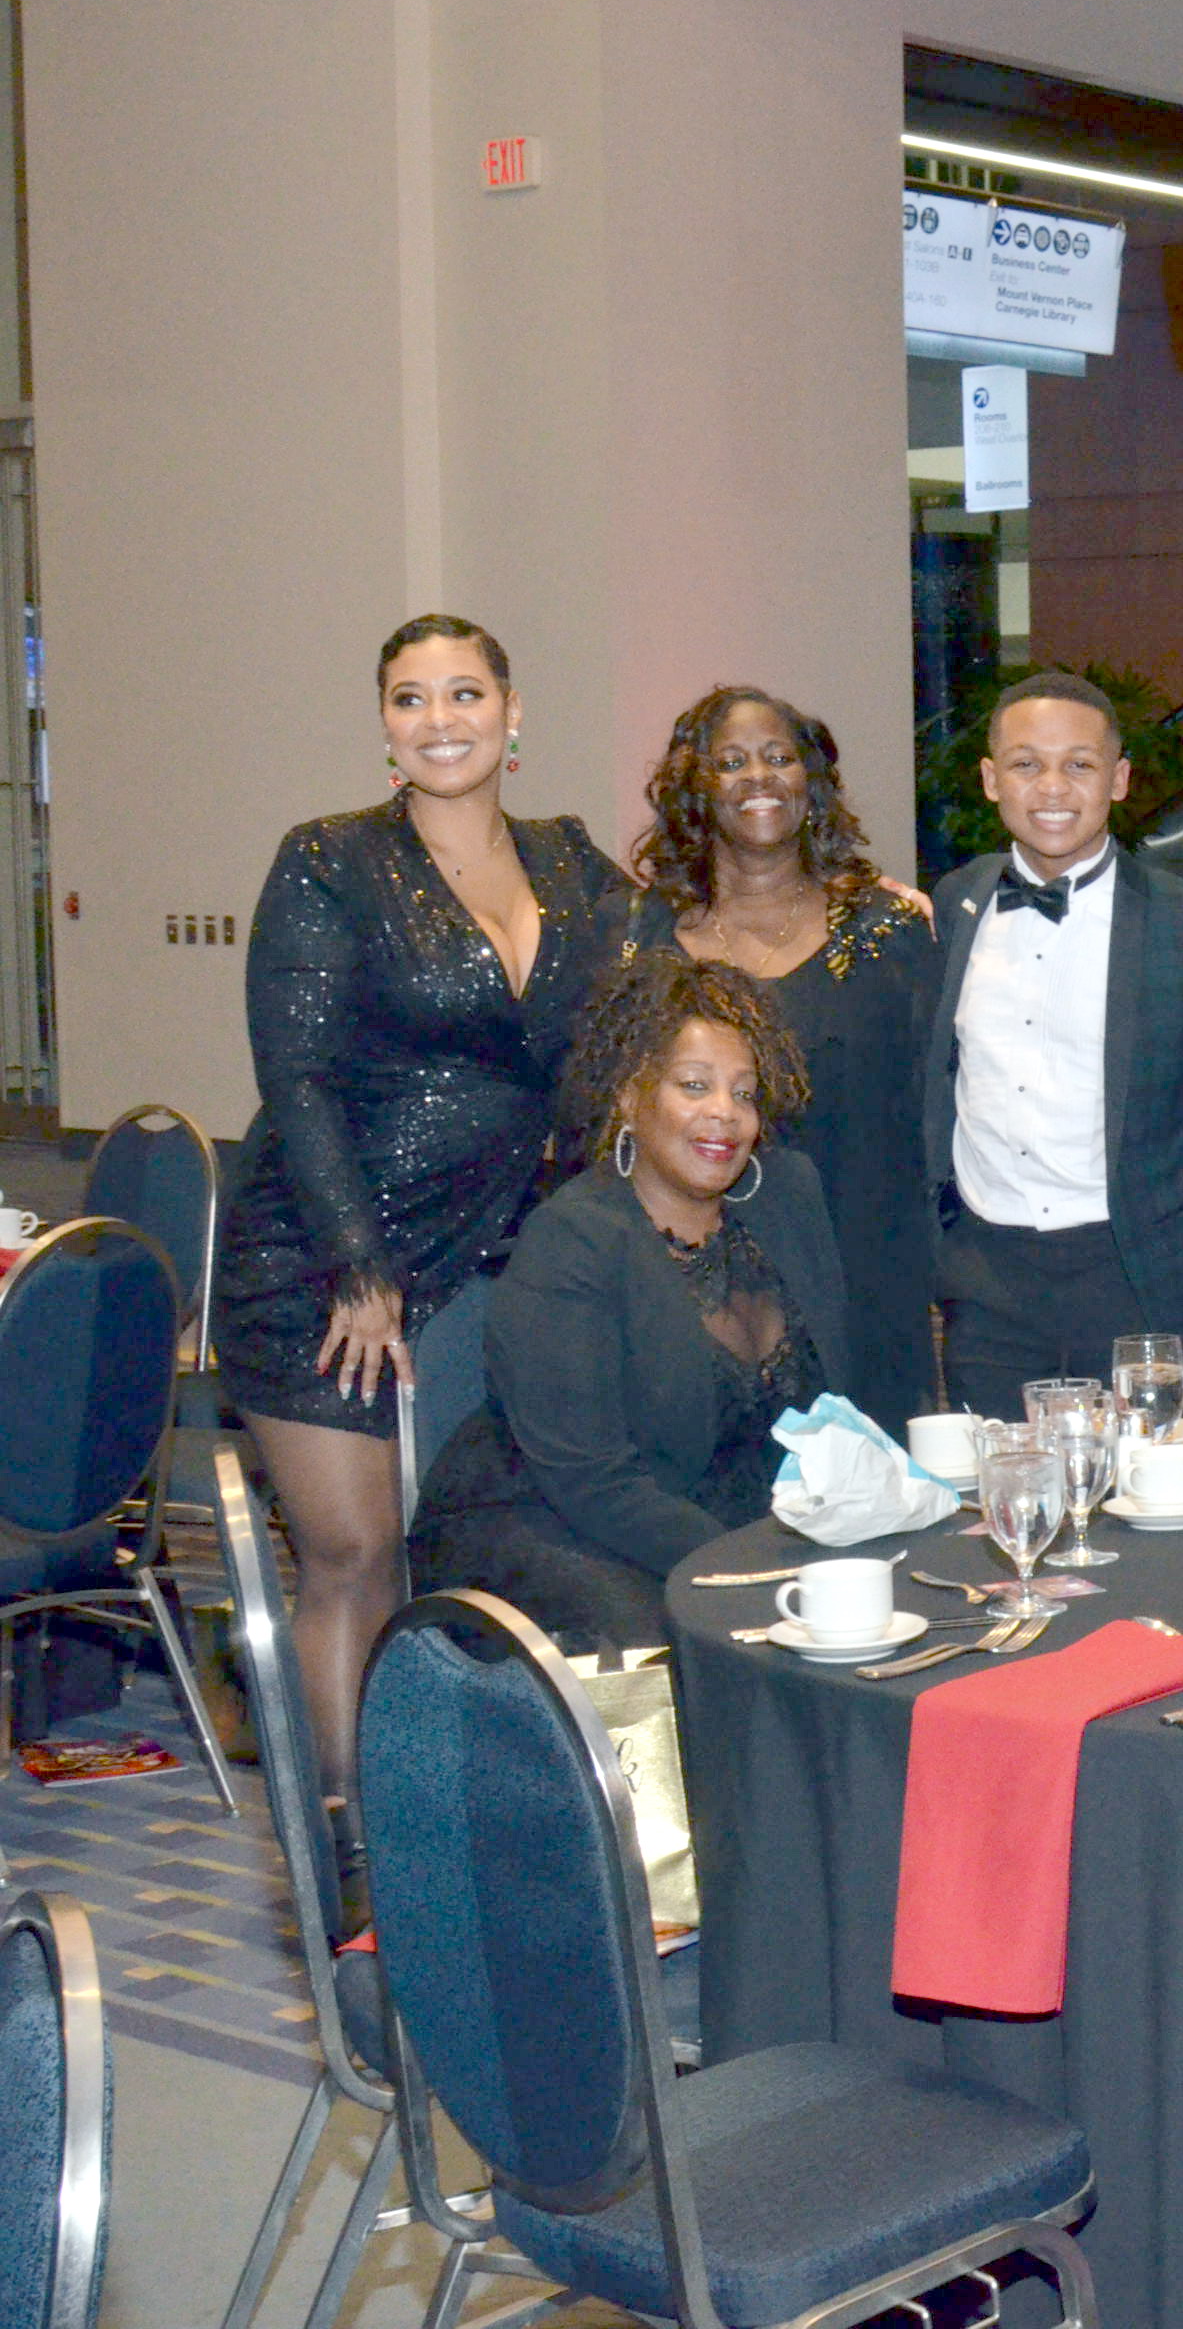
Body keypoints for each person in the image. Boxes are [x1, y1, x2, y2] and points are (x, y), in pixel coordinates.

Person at [213, 613, 631, 1800]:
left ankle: (445, 1811)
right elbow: (294, 1077)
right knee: (354, 1554)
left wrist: (848, 903)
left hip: (497, 1248)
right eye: (410, 698)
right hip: (326, 1255)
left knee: (463, 1551)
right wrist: (359, 1266)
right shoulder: (331, 859)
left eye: (464, 694)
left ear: (512, 712)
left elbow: (678, 950)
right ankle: (353, 1845)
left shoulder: (568, 860)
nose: (439, 720)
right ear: (385, 725)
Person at [408, 954, 842, 1649]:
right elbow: (591, 1482)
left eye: (744, 1093)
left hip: (728, 1528)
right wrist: (750, 1572)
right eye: (693, 1085)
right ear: (630, 1097)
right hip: (552, 1527)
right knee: (682, 1635)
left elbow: (830, 1411)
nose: (724, 1113)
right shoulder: (574, 1237)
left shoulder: (786, 1202)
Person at [922, 668, 1183, 1419]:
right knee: (997, 1483)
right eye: (1025, 764)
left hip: (1138, 1273)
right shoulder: (955, 902)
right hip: (986, 1279)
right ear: (990, 779)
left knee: (1155, 1484)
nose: (1052, 787)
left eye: (1079, 764)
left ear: (1118, 780)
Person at [620, 685, 937, 1423]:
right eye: (730, 762)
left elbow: (936, 1110)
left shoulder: (888, 931)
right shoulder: (639, 934)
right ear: (696, 788)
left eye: (779, 757)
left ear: (810, 781)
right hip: (694, 1291)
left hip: (864, 1288)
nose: (758, 776)